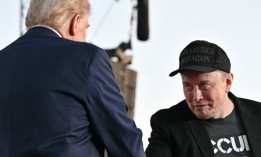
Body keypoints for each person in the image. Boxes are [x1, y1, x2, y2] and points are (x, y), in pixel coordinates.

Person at [0, 0, 146, 157]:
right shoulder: (87, 59)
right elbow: (124, 139)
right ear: (75, 22)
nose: (84, 38)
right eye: (85, 28)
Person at [146, 40, 261, 157]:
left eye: (205, 85)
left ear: (227, 82)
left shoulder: (258, 115)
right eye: (188, 86)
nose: (196, 97)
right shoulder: (168, 124)